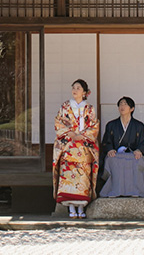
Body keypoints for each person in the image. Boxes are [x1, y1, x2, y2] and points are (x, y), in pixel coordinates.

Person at [53, 79, 99, 219]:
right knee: (68, 177)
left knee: (82, 177)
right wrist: (70, 134)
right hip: (69, 145)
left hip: (84, 147)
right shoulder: (65, 107)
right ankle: (71, 207)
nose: (75, 90)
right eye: (73, 87)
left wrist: (83, 136)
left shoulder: (89, 109)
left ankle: (81, 207)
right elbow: (58, 122)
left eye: (78, 88)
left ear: (84, 92)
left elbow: (94, 126)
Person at [98, 96, 144, 198]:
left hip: (133, 155)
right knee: (112, 161)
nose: (122, 106)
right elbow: (106, 141)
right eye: (120, 104)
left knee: (139, 161)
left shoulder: (139, 126)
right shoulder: (111, 125)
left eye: (125, 104)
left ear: (132, 109)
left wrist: (139, 150)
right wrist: (110, 149)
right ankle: (113, 191)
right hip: (116, 155)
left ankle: (136, 191)